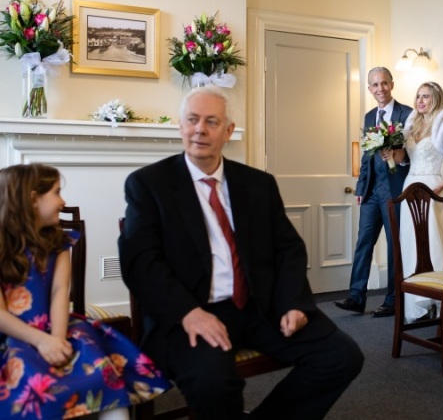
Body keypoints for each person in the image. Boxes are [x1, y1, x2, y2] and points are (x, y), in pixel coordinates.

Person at [118, 87, 363, 419]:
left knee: (341, 356)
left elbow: (287, 248)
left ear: (229, 131)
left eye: (211, 121)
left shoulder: (257, 184)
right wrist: (188, 312)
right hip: (191, 314)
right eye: (192, 120)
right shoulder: (149, 184)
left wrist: (293, 302)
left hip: (258, 308)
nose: (199, 129)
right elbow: (141, 262)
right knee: (215, 383)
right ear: (180, 126)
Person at [0, 163, 170, 420]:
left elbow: (59, 292)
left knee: (101, 369)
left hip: (55, 326)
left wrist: (57, 338)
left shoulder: (59, 242)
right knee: (26, 379)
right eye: (56, 192)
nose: (63, 200)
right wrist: (41, 341)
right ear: (33, 199)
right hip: (11, 334)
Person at [335, 67, 413, 318]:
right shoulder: (370, 116)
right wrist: (360, 187)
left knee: (393, 245)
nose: (380, 89)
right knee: (363, 242)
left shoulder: (408, 114)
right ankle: (357, 296)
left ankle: (392, 299)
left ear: (392, 84)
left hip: (395, 189)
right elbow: (366, 155)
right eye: (375, 85)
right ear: (369, 89)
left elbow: (415, 153)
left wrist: (399, 158)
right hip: (371, 191)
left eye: (384, 83)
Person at [394, 82, 443, 322]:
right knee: (412, 243)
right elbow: (403, 160)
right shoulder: (411, 125)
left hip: (433, 189)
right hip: (410, 186)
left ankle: (437, 298)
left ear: (436, 99)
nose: (420, 101)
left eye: (426, 97)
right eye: (418, 96)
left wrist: (436, 190)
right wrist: (392, 154)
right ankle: (417, 302)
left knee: (433, 241)